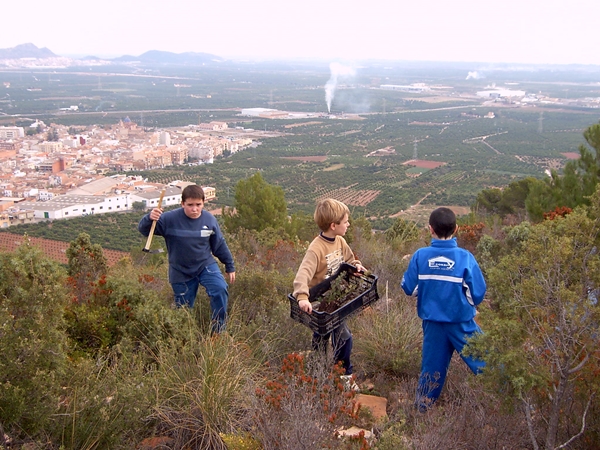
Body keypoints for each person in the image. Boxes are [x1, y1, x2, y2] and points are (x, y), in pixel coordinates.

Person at [401, 207, 486, 412]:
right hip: (462, 322)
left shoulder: (421, 256)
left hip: (433, 324)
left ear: (430, 229)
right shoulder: (465, 258)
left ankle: (422, 410)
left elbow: (408, 287)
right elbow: (477, 293)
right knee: (486, 360)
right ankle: (513, 396)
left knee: (431, 371)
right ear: (456, 229)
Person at [138, 184, 235, 333]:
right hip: (180, 270)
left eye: (198, 205)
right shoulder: (168, 219)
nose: (194, 209)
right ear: (182, 203)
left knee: (220, 289)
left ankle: (218, 331)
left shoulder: (209, 220)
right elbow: (144, 230)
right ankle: (183, 337)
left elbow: (219, 245)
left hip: (205, 265)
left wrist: (229, 265)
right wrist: (149, 218)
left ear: (204, 203)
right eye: (190, 205)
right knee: (183, 309)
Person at [293, 198, 366, 386]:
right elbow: (303, 274)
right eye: (345, 221)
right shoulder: (316, 249)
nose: (348, 224)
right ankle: (341, 377)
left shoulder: (340, 241)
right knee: (332, 336)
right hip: (320, 301)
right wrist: (302, 296)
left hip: (336, 300)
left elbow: (350, 259)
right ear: (333, 225)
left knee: (335, 335)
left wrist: (356, 266)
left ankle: (331, 372)